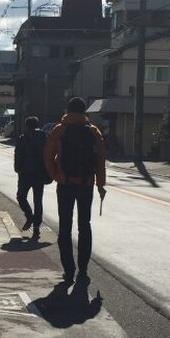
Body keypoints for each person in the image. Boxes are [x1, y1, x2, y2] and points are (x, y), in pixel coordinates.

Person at [44, 97, 106, 283]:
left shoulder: (59, 130)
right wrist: (100, 185)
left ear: (67, 110)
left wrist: (57, 175)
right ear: (84, 111)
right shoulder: (93, 131)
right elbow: (100, 160)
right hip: (86, 184)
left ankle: (69, 271)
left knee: (65, 227)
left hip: (65, 184)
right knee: (84, 226)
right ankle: (83, 270)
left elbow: (47, 156)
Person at [14, 116, 50, 240]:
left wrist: (17, 169)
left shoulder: (23, 138)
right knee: (38, 201)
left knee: (21, 196)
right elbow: (48, 154)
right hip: (39, 173)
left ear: (26, 125)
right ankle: (36, 228)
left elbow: (18, 155)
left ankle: (29, 216)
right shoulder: (44, 138)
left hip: (25, 174)